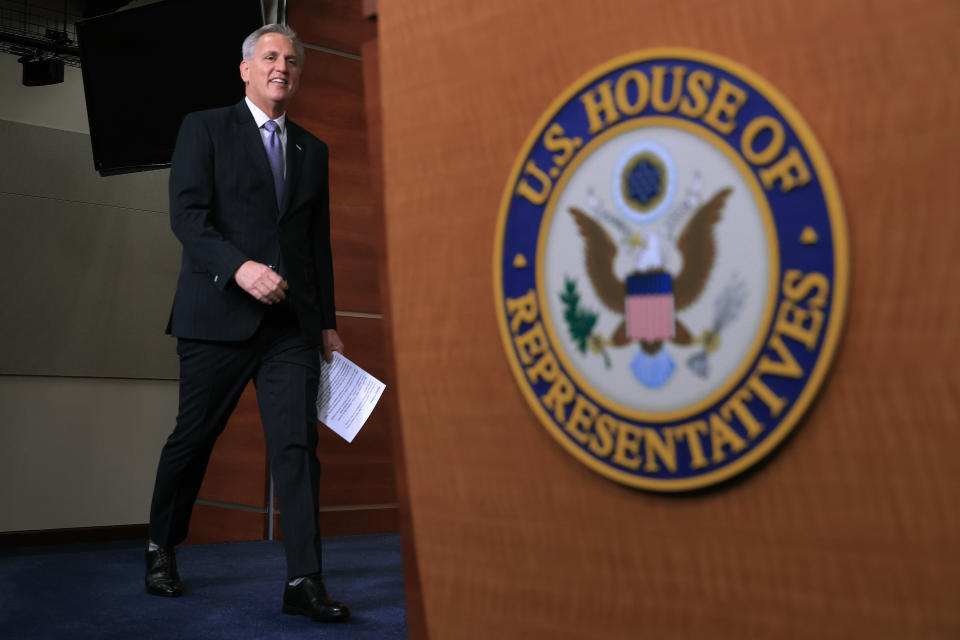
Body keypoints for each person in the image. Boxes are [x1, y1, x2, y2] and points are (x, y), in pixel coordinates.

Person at [144, 23, 349, 623]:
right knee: (194, 438)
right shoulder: (204, 128)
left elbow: (317, 245)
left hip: (289, 328)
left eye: (290, 59)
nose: (280, 65)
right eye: (268, 57)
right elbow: (187, 216)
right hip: (216, 319)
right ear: (245, 69)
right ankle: (161, 546)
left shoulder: (314, 150)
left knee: (297, 447)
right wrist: (240, 269)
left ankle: (304, 580)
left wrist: (328, 323)